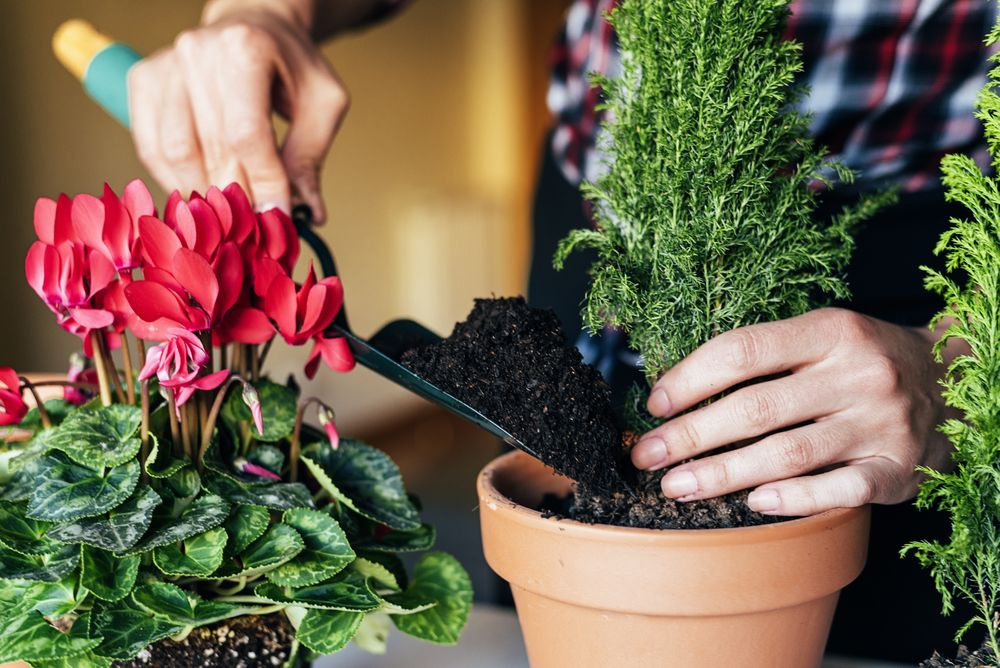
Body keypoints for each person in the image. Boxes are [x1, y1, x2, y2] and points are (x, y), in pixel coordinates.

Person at [126, 0, 997, 661]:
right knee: (572, 466)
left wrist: (961, 360)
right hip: (605, 203)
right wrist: (268, 11)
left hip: (918, 261)